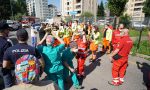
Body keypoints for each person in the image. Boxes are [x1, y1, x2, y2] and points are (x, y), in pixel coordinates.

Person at [0, 22, 12, 89]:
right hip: (4, 69)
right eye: (8, 29)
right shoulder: (6, 43)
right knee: (8, 87)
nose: (9, 31)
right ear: (4, 30)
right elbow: (8, 59)